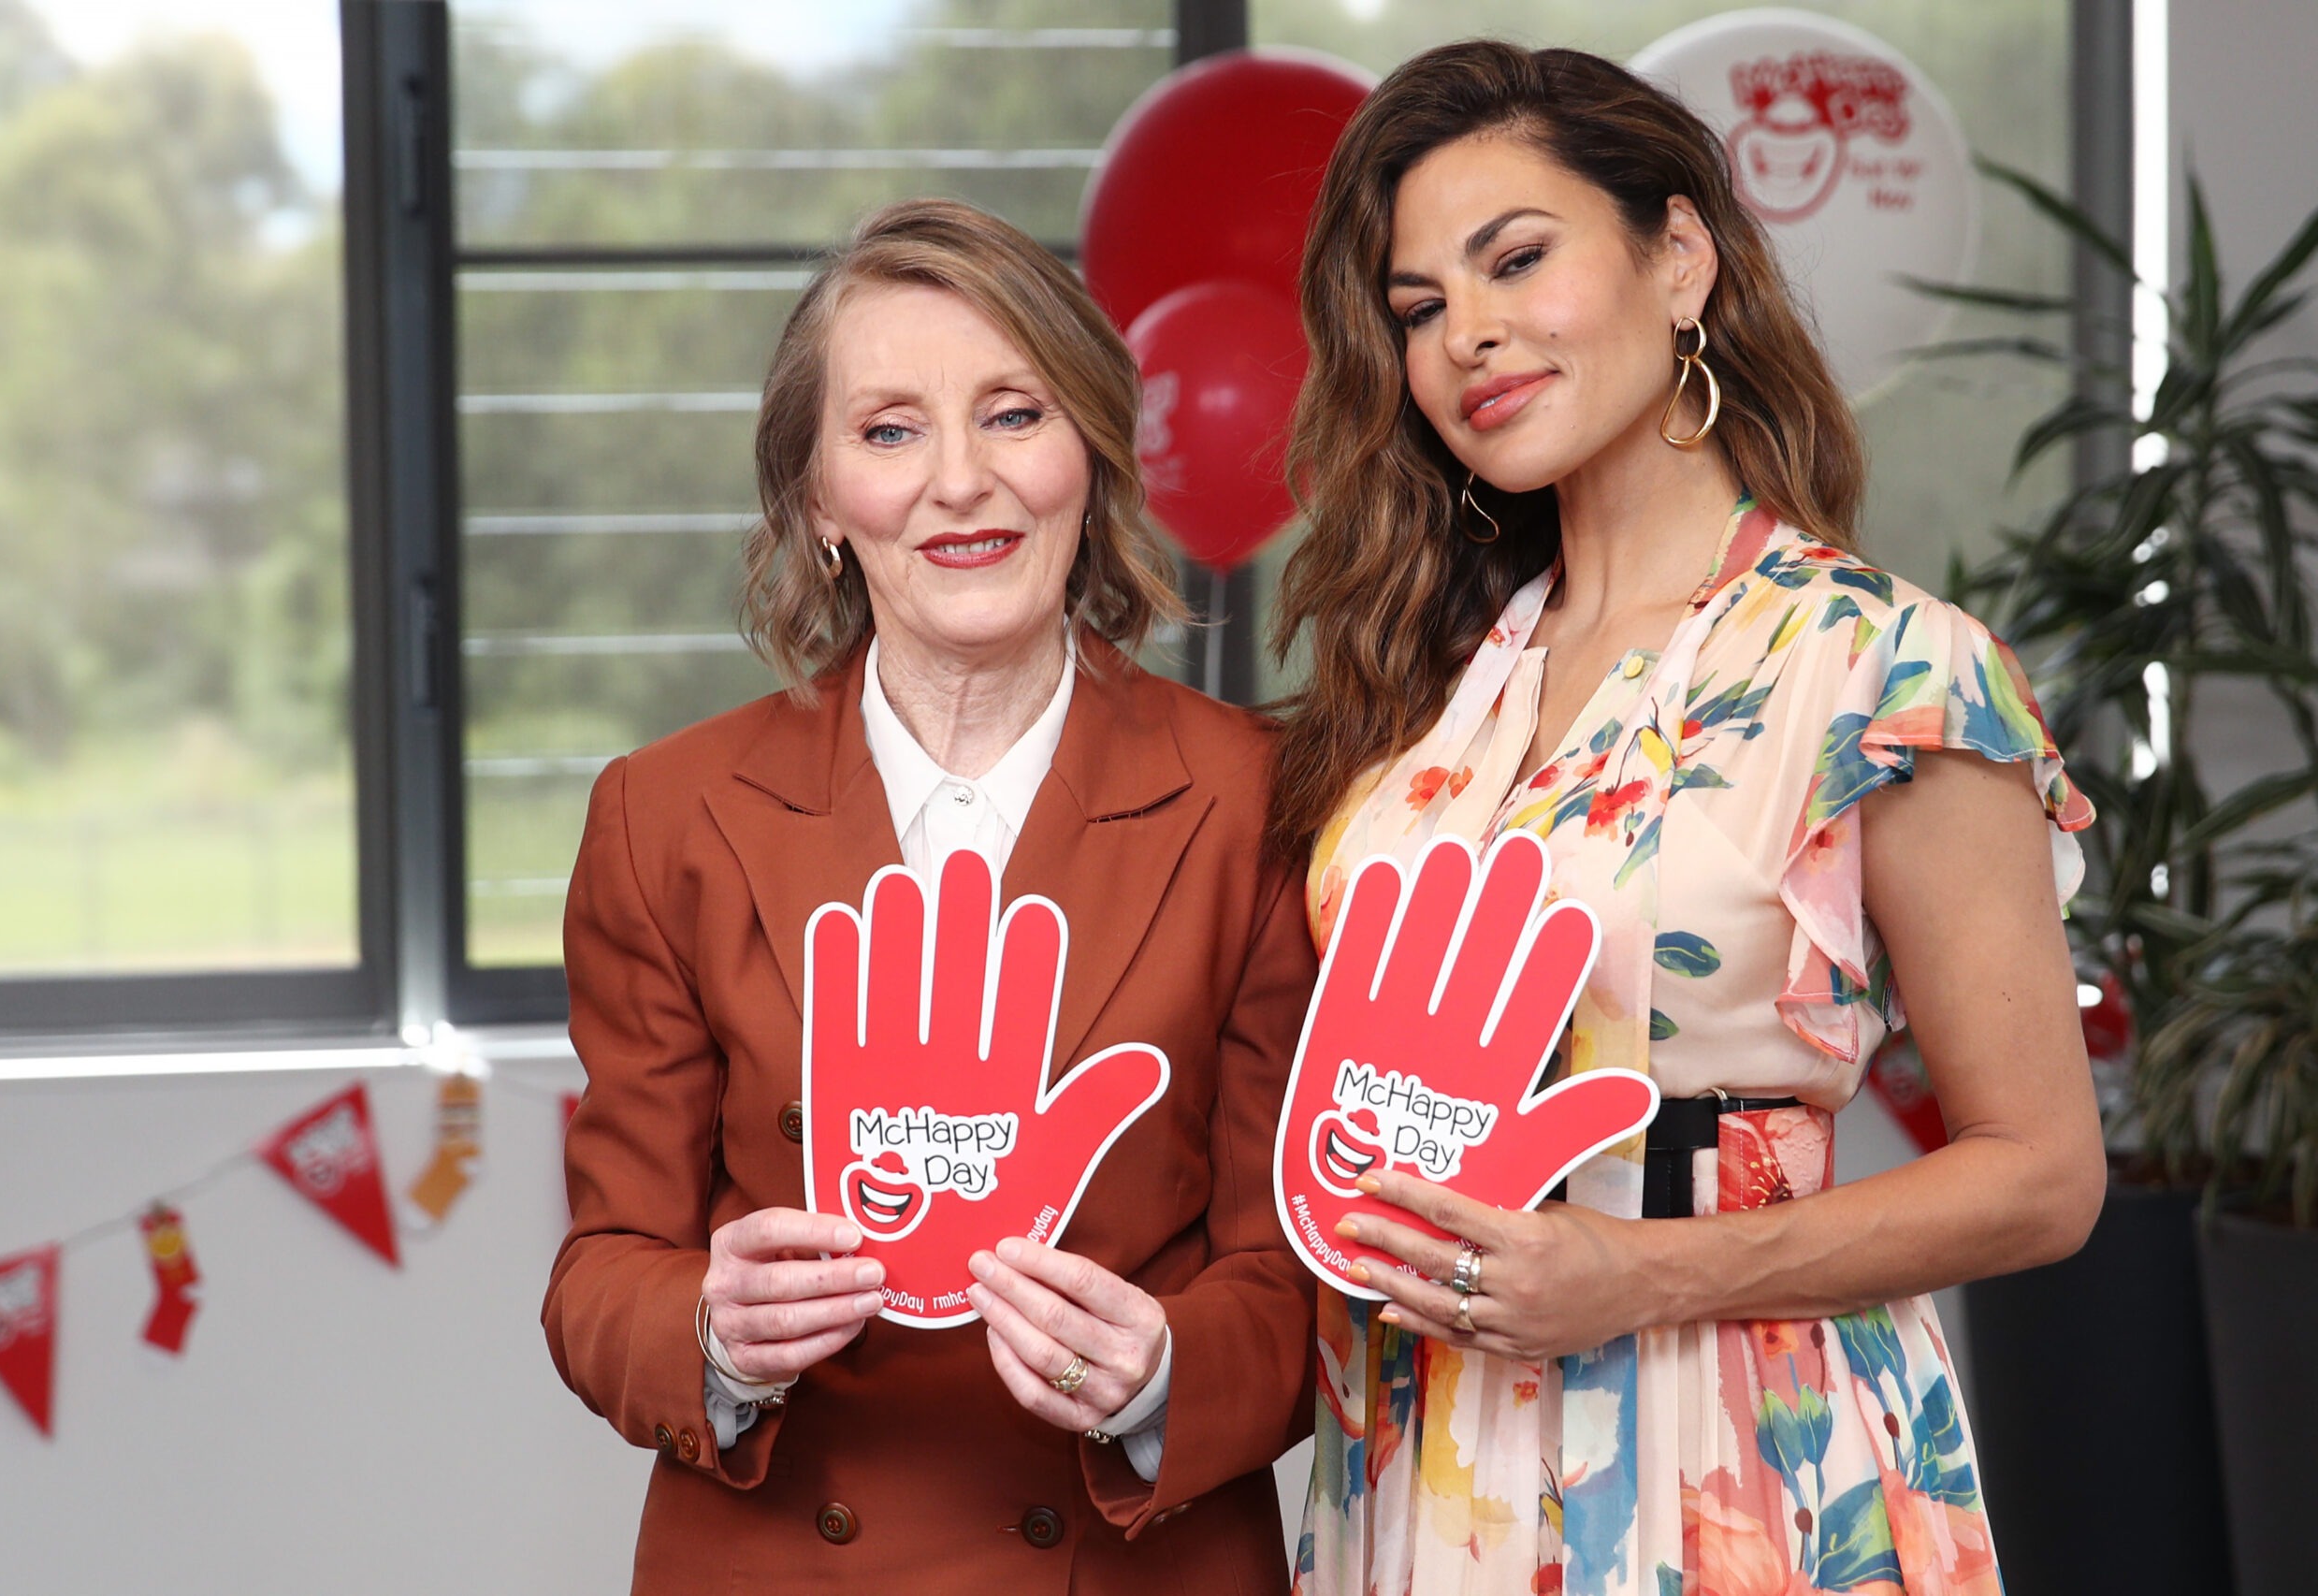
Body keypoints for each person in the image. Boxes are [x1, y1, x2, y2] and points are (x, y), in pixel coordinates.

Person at [1268, 42, 2105, 1596]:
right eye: (1421, 308)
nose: (1471, 336)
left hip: (1733, 1443)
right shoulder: (1436, 680)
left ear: (1678, 257)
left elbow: (2043, 1173)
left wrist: (1634, 1272)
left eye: (1518, 259)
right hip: (1420, 1434)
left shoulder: (1881, 666)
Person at [546, 199, 1318, 1594]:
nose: (960, 481)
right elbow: (603, 1267)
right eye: (891, 431)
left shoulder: (1258, 805)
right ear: (819, 503)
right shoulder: (666, 817)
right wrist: (709, 1332)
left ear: (1090, 456)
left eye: (1014, 414)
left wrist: (1166, 1373)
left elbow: (1297, 1272)